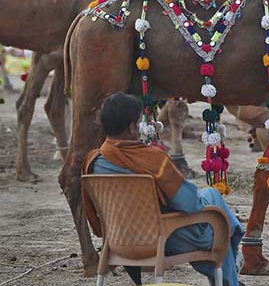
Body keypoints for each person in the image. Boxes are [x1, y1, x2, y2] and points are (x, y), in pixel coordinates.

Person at [82, 93, 244, 286]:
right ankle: (231, 272)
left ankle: (230, 270)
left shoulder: (92, 163)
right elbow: (190, 205)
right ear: (133, 127)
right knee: (219, 220)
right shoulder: (152, 160)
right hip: (162, 240)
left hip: (117, 241)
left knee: (212, 203)